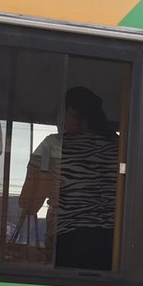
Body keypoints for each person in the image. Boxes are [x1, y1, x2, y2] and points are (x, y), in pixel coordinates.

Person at [18, 86, 119, 270]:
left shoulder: (53, 145)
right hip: (115, 244)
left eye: (60, 114)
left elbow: (29, 204)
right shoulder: (120, 147)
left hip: (69, 240)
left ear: (71, 112)